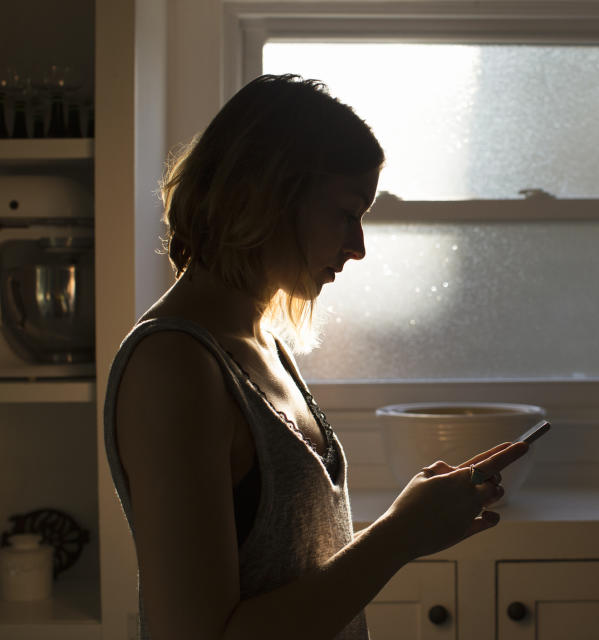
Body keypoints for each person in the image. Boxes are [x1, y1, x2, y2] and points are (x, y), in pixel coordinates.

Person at [103, 74, 529, 640]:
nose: (358, 246)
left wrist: (410, 519)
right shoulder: (174, 367)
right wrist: (400, 536)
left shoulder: (264, 344)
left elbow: (287, 570)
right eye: (346, 212)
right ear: (267, 196)